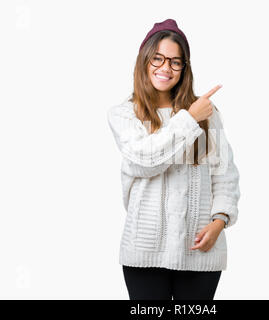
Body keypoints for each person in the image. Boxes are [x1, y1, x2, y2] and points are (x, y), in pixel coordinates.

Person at [107, 18, 241, 300]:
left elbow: (225, 174)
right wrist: (189, 118)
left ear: (184, 67)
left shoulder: (207, 112)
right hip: (145, 252)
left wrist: (219, 222)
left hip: (200, 249)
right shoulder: (124, 114)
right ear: (144, 60)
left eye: (175, 61)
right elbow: (146, 160)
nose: (166, 67)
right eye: (158, 58)